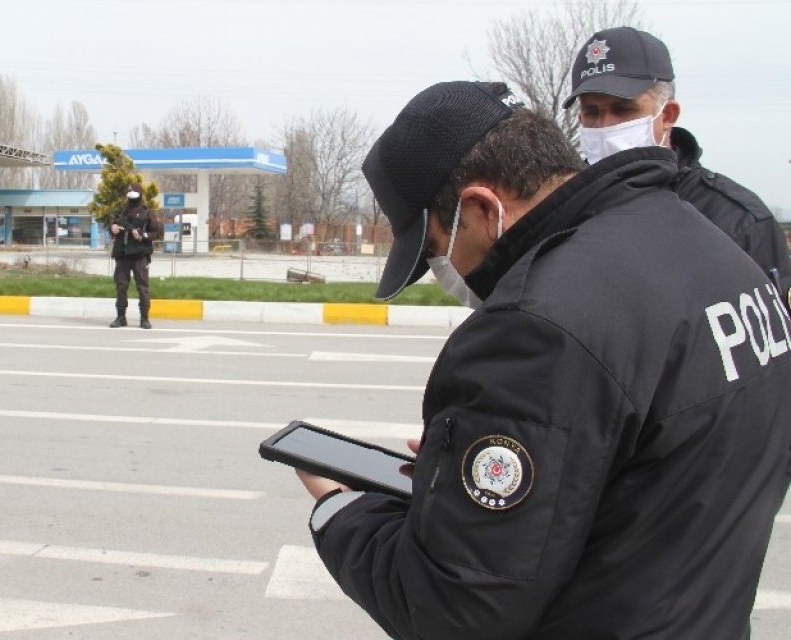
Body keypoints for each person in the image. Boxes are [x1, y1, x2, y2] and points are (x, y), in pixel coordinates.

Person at [293, 80, 791, 638]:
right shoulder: (711, 244)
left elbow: (454, 611)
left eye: (436, 249)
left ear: (482, 208)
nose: (443, 271)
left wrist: (342, 513)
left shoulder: (534, 327)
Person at [565, 26, 791, 299]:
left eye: (623, 109)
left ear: (668, 114)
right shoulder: (567, 214)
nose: (605, 125)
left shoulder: (737, 220)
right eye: (592, 112)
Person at [108, 183, 161, 329]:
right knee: (121, 286)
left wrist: (142, 235)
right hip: (122, 255)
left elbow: (156, 233)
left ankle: (144, 318)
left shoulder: (147, 212)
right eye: (129, 195)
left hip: (140, 256)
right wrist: (112, 229)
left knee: (142, 287)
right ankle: (120, 317)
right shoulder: (121, 212)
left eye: (134, 196)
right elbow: (111, 227)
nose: (131, 199)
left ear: (140, 195)